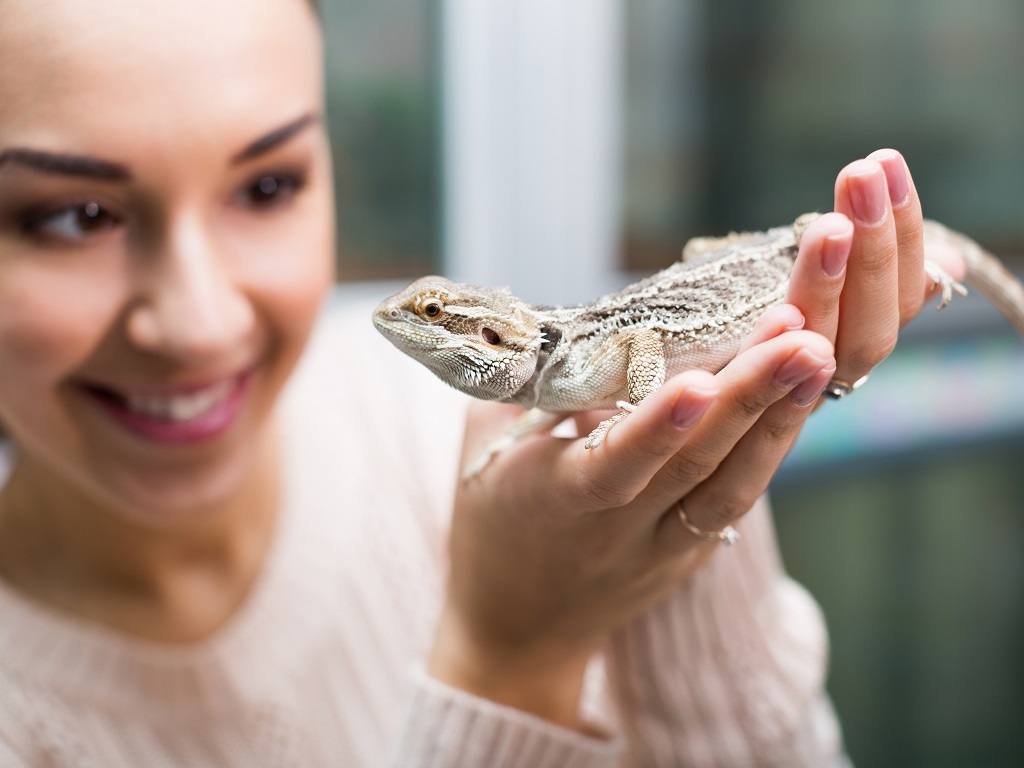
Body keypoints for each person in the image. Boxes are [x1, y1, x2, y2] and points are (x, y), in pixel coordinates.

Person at [0, 0, 963, 765]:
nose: (200, 324)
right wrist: (511, 653)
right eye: (74, 215)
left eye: (267, 185)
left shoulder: (459, 425)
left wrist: (677, 523)